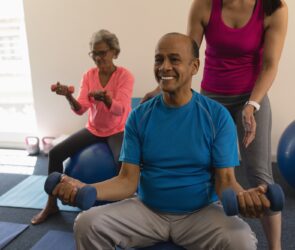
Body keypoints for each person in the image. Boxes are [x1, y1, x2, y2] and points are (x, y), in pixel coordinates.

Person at [52, 33, 272, 250]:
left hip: (200, 213)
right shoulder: (139, 116)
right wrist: (84, 188)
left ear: (194, 67)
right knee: (86, 224)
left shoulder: (217, 116)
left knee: (242, 240)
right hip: (147, 210)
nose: (164, 67)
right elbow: (127, 180)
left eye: (174, 59)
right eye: (159, 59)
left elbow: (225, 181)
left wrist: (244, 197)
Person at [143, 1, 288, 249]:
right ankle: (206, 232)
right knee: (207, 168)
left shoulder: (273, 9)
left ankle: (275, 247)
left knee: (260, 174)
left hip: (251, 95)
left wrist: (252, 105)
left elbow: (270, 65)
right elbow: (187, 55)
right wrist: (160, 88)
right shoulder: (204, 5)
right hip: (211, 97)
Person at [31, 29, 134, 225]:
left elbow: (122, 110)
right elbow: (81, 108)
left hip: (117, 130)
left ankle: (126, 213)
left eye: (102, 53)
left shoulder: (124, 76)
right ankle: (51, 204)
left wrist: (107, 99)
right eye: (94, 53)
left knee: (123, 164)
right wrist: (68, 96)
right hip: (93, 129)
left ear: (114, 52)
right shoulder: (89, 75)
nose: (98, 58)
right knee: (55, 154)